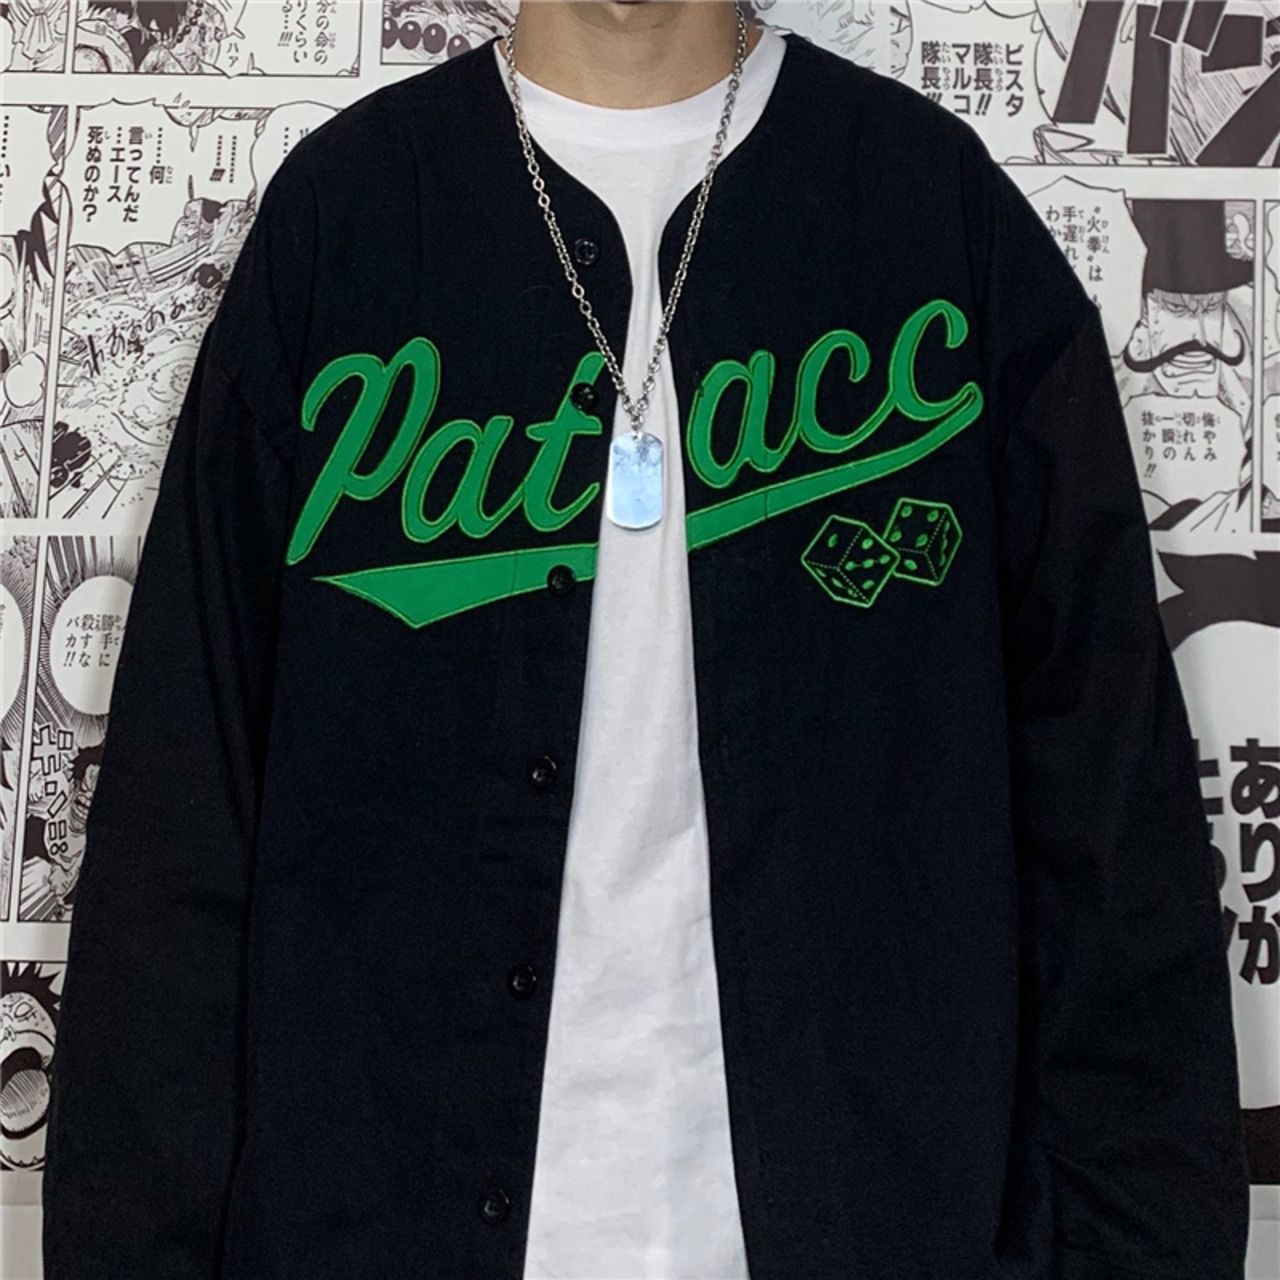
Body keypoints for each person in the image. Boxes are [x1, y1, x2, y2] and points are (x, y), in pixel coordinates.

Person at [40, 1, 1251, 1277]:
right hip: (375, 1221)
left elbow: (1111, 827)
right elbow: (183, 813)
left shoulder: (929, 214)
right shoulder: (346, 219)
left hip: (876, 1222)